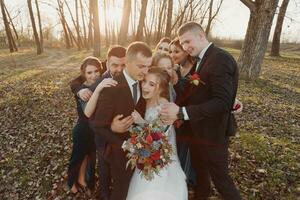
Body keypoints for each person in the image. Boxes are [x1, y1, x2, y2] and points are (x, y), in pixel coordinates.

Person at [160, 22, 242, 200]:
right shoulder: (202, 59)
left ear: (201, 36)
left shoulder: (220, 59)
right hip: (198, 132)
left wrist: (182, 112)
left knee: (222, 182)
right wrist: (176, 81)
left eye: (188, 41)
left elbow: (222, 102)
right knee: (201, 176)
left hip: (213, 134)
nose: (185, 47)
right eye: (182, 43)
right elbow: (195, 91)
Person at [89, 42, 152, 200]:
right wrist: (119, 138)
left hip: (140, 148)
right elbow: (96, 124)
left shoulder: (143, 82)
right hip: (117, 151)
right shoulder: (111, 87)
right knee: (121, 192)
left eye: (147, 67)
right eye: (141, 66)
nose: (145, 71)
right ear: (128, 63)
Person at [70, 46, 127, 200]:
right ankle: (75, 184)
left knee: (90, 157)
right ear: (108, 63)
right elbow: (87, 111)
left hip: (116, 133)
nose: (120, 69)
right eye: (115, 65)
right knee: (87, 160)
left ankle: (87, 183)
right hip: (92, 130)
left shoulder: (124, 72)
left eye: (123, 65)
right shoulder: (97, 82)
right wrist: (78, 89)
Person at [127, 67, 188, 200]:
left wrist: (140, 121)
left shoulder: (164, 106)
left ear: (161, 89)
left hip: (162, 160)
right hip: (147, 156)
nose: (145, 86)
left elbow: (159, 136)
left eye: (152, 84)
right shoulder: (146, 101)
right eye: (144, 81)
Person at [67, 57, 102, 195]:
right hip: (82, 129)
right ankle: (71, 182)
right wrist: (79, 90)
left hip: (95, 130)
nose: (93, 75)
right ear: (84, 74)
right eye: (89, 73)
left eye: (96, 71)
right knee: (78, 158)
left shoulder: (102, 83)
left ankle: (84, 180)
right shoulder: (82, 90)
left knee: (89, 157)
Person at [169, 37, 198, 188]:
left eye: (177, 51)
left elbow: (193, 94)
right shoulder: (176, 69)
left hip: (191, 116)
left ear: (186, 52)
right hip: (177, 116)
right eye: (171, 51)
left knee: (189, 151)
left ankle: (188, 182)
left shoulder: (196, 70)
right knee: (179, 148)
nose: (173, 54)